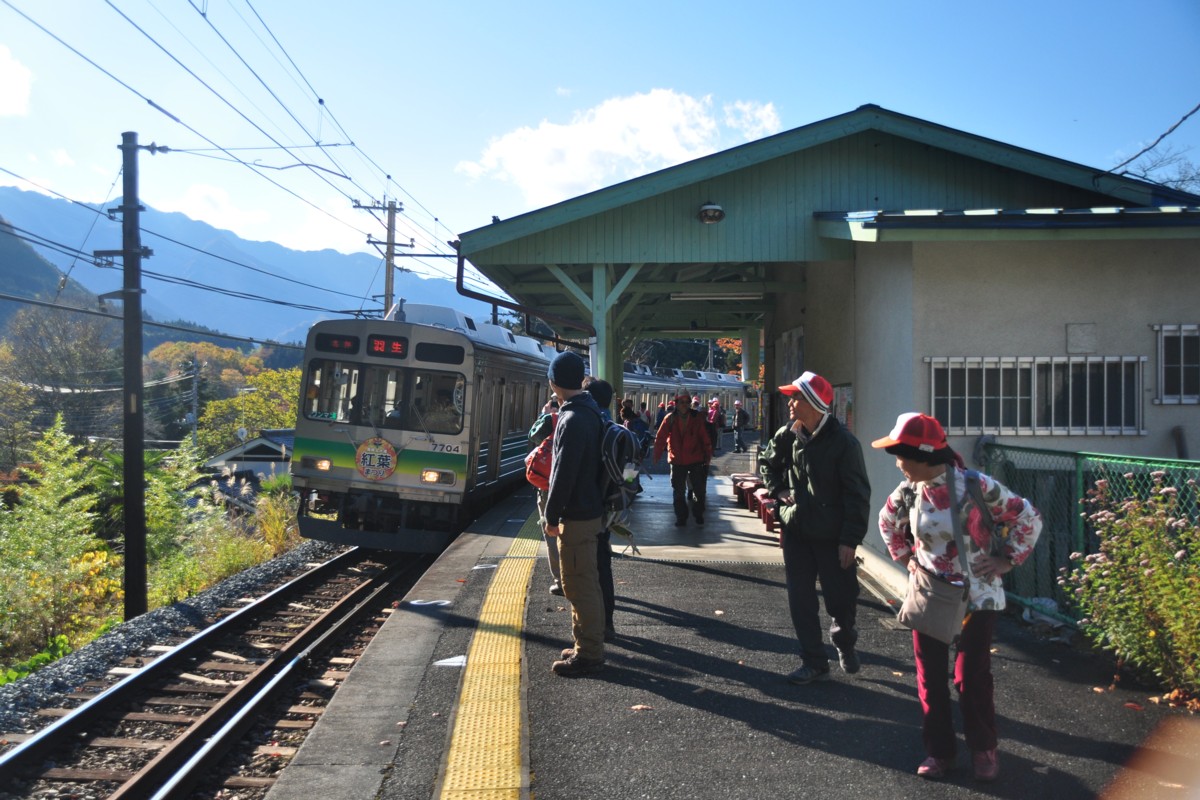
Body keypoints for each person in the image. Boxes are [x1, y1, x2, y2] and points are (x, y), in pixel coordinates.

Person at [872, 412, 1042, 782]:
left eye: (900, 456)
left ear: (921, 456)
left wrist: (1006, 560)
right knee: (929, 678)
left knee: (970, 676)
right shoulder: (909, 491)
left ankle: (983, 748)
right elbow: (886, 522)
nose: (898, 464)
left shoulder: (976, 486)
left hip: (977, 597)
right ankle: (939, 753)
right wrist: (907, 560)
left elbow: (1027, 516)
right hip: (930, 593)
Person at [758, 371, 871, 685]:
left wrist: (850, 539)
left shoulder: (844, 443)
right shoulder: (787, 434)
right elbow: (768, 463)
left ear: (814, 403)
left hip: (833, 536)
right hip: (797, 530)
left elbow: (858, 494)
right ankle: (814, 661)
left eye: (796, 397)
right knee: (800, 599)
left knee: (841, 598)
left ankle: (844, 640)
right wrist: (778, 491)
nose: (790, 403)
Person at [544, 351, 606, 676]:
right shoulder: (590, 411)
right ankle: (583, 643)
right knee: (585, 582)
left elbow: (562, 474)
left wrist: (551, 516)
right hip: (590, 509)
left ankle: (590, 654)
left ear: (554, 382)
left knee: (578, 584)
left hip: (578, 515)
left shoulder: (572, 418)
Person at [583, 377, 618, 641]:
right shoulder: (614, 427)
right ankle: (608, 622)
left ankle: (592, 631)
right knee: (603, 566)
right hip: (608, 507)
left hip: (587, 507)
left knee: (586, 571)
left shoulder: (590, 425)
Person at [653, 390, 713, 526]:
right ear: (676, 403)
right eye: (682, 402)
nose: (685, 405)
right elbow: (660, 438)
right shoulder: (669, 419)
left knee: (699, 490)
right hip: (677, 460)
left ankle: (698, 513)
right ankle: (681, 517)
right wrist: (656, 455)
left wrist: (708, 455)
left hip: (696, 460)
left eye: (687, 402)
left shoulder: (697, 418)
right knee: (678, 492)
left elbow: (704, 438)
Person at [529, 397, 563, 596]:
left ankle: (560, 580)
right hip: (579, 488)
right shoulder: (593, 417)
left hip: (549, 486)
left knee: (552, 533)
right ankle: (578, 578)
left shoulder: (552, 419)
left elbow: (533, 436)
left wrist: (545, 414)